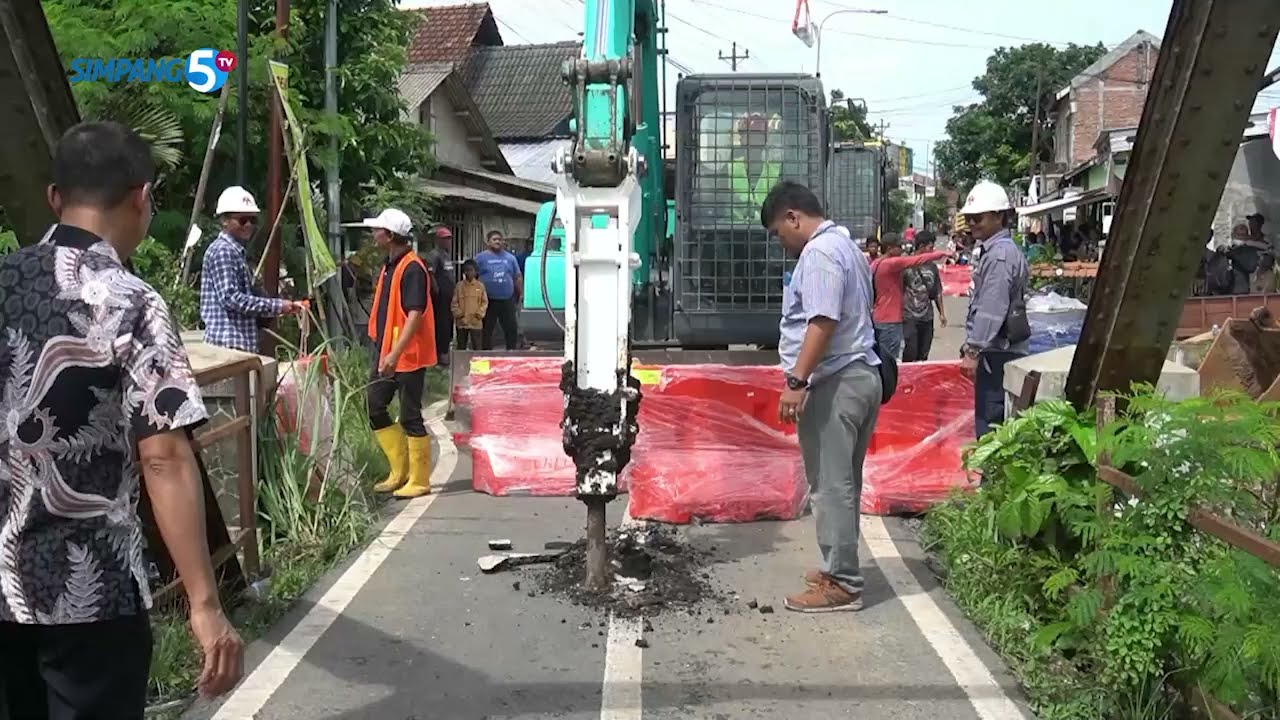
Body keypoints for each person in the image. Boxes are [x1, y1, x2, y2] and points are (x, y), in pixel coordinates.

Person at [0, 121, 243, 717]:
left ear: (56, 198)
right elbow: (163, 455)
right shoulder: (132, 302)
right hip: (96, 593)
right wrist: (204, 605)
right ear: (142, 197)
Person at [760, 181, 882, 614]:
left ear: (794, 217)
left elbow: (822, 321)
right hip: (860, 374)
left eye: (778, 231)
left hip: (836, 381)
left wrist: (796, 382)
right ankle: (838, 567)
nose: (780, 242)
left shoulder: (819, 254)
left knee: (830, 486)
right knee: (844, 481)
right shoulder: (847, 247)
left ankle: (843, 585)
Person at [350, 208, 437, 499]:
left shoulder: (412, 268)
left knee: (410, 414)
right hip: (386, 350)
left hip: (407, 353)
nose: (373, 234)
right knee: (374, 405)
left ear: (389, 236)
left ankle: (420, 479)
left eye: (377, 230)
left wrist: (393, 354)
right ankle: (399, 471)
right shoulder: (390, 265)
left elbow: (415, 314)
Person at [960, 180, 1030, 438]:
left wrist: (973, 350)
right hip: (1000, 352)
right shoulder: (998, 251)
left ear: (999, 216)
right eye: (969, 218)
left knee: (991, 429)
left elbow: (991, 308)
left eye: (978, 218)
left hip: (997, 354)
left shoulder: (999, 256)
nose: (972, 224)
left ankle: (993, 479)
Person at [199, 185, 302, 353]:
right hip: (227, 346)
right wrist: (276, 306)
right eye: (242, 220)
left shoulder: (236, 252)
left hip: (238, 346)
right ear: (224, 220)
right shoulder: (223, 251)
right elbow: (231, 298)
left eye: (252, 220)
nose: (248, 225)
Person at [869, 234, 951, 361]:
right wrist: (943, 253)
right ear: (890, 248)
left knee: (883, 358)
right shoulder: (891, 263)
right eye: (899, 246)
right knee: (889, 362)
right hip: (890, 320)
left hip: (880, 317)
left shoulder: (876, 263)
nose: (902, 250)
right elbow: (917, 260)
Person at [901, 232, 947, 362]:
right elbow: (899, 289)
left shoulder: (932, 267)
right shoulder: (906, 265)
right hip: (909, 316)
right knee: (910, 351)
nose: (932, 251)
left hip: (927, 317)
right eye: (930, 247)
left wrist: (941, 313)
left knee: (923, 353)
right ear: (921, 246)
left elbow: (937, 290)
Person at [474, 230, 522, 350]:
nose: (497, 242)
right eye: (494, 239)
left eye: (500, 240)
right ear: (488, 242)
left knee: (511, 327)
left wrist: (519, 293)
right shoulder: (480, 258)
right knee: (487, 329)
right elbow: (471, 277)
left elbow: (517, 276)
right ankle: (486, 353)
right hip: (488, 300)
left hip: (507, 299)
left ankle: (511, 351)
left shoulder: (510, 258)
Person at [729, 113, 781, 222]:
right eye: (749, 136)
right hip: (730, 230)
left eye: (758, 137)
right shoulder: (729, 169)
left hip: (767, 231)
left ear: (765, 140)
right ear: (742, 139)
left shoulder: (775, 172)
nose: (753, 141)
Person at [424, 226, 457, 367]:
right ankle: (440, 355)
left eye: (449, 238)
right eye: (445, 239)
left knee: (448, 324)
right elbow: (430, 273)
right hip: (440, 296)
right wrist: (436, 290)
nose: (448, 241)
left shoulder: (446, 254)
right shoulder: (434, 254)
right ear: (438, 240)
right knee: (441, 325)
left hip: (449, 295)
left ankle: (444, 352)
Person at [452, 259, 488, 350]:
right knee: (461, 346)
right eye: (467, 270)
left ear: (475, 271)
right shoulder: (459, 286)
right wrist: (459, 315)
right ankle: (461, 364)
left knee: (477, 346)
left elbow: (484, 302)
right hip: (462, 322)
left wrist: (479, 314)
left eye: (471, 270)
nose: (469, 273)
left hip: (476, 321)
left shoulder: (480, 286)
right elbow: (454, 303)